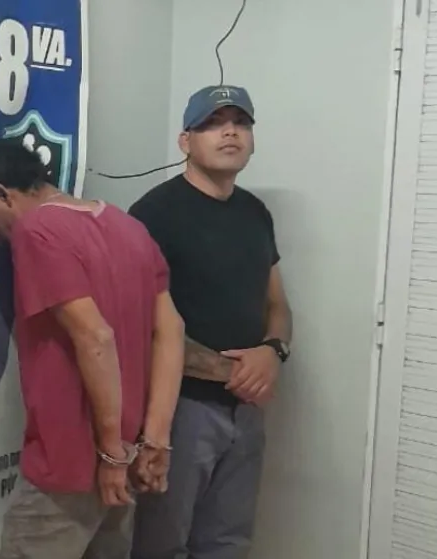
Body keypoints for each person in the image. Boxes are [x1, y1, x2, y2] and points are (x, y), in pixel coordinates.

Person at [0, 139, 186, 559]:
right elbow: (171, 330)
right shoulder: (129, 228)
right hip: (126, 461)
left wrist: (110, 453)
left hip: (70, 466)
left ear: (1, 194)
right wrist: (155, 439)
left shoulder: (36, 230)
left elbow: (95, 337)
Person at [129, 85, 293, 559]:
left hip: (246, 410)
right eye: (213, 123)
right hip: (180, 410)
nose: (230, 132)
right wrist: (228, 369)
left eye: (240, 123)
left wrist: (273, 352)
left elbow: (278, 305)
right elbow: (136, 324)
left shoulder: (254, 213)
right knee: (161, 545)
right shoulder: (153, 214)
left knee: (228, 543)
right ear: (186, 141)